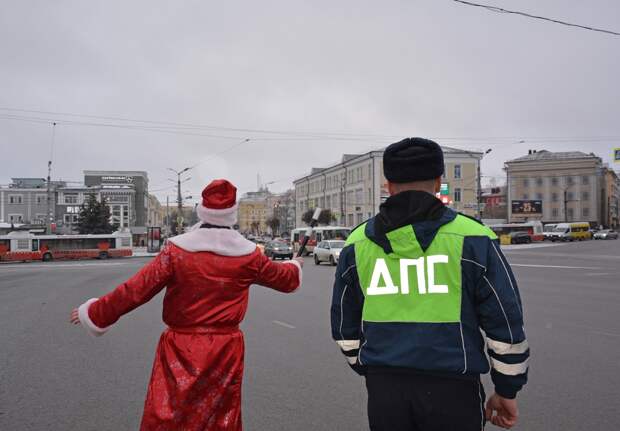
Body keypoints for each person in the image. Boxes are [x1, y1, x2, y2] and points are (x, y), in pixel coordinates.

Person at [71, 179, 303, 431]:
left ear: (202, 212)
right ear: (231, 216)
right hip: (225, 351)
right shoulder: (248, 256)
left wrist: (95, 313)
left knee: (170, 412)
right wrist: (295, 264)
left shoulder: (177, 251)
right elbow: (286, 280)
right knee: (219, 414)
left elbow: (136, 289)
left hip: (180, 347)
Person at [330, 138, 529, 430]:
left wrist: (368, 367)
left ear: (388, 185)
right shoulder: (473, 237)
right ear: (438, 182)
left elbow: (344, 324)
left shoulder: (356, 243)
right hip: (454, 389)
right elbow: (505, 321)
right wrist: (507, 388)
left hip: (385, 390)